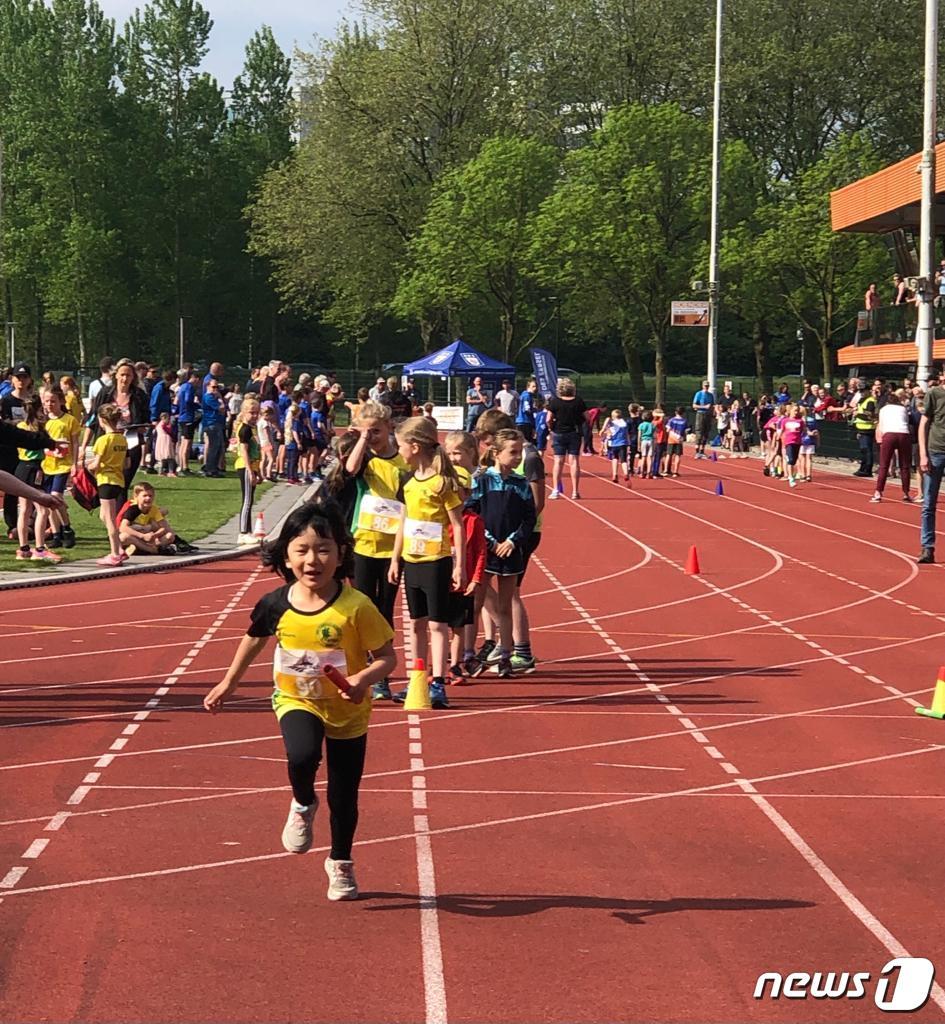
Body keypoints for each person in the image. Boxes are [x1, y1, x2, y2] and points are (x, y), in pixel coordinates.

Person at [204, 500, 396, 901]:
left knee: (345, 794)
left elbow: (387, 658)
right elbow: (254, 639)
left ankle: (340, 862)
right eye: (302, 549)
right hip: (296, 700)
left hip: (348, 711)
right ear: (287, 555)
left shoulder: (357, 608)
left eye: (324, 549)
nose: (313, 559)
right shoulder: (276, 603)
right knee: (302, 755)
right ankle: (303, 801)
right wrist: (229, 683)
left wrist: (361, 679)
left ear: (342, 553)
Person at [388, 416, 465, 709]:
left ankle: (437, 682)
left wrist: (459, 565)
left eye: (401, 446)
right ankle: (416, 679)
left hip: (436, 560)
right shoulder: (408, 482)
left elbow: (457, 525)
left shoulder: (442, 483)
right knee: (415, 623)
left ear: (415, 446)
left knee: (437, 624)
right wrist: (396, 559)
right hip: (412, 560)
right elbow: (403, 521)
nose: (399, 452)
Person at [345, 401, 408, 700]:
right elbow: (350, 467)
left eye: (377, 431)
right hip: (364, 544)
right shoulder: (366, 459)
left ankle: (380, 676)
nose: (373, 437)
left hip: (392, 547)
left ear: (389, 429)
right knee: (361, 608)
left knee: (384, 611)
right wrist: (360, 438)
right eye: (368, 431)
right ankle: (361, 671)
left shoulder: (402, 464)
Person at [465, 429, 535, 679]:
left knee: (505, 606)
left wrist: (513, 541)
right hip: (486, 551)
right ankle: (468, 656)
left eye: (520, 453)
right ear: (496, 452)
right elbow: (470, 513)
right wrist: (492, 542)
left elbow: (529, 518)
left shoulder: (521, 483)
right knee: (475, 603)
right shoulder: (481, 480)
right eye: (512, 452)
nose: (518, 458)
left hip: (511, 551)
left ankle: (506, 656)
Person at [443, 432, 487, 678]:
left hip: (472, 550)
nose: (453, 458)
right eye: (449, 454)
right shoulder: (443, 480)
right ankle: (449, 659)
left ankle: (466, 654)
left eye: (457, 453)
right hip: (445, 563)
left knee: (477, 605)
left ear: (472, 452)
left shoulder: (480, 483)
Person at [82, 359, 150, 496]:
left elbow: (145, 420)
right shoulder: (105, 393)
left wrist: (142, 427)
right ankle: (111, 514)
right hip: (106, 445)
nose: (125, 378)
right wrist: (84, 446)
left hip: (129, 444)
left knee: (122, 484)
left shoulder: (139, 396)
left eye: (128, 375)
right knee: (106, 485)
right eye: (122, 374)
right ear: (116, 375)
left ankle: (119, 516)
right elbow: (93, 419)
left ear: (133, 377)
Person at [13, 395, 60, 563]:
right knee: (42, 510)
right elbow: (47, 444)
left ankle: (23, 548)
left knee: (24, 510)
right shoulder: (39, 427)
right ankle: (39, 548)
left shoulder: (20, 426)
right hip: (33, 468)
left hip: (21, 468)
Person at [87, 403, 129, 566]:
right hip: (118, 480)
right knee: (103, 516)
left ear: (102, 420)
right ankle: (119, 547)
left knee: (110, 518)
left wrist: (87, 467)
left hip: (105, 480)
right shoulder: (122, 439)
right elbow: (126, 463)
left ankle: (115, 553)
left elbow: (95, 464)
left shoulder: (102, 440)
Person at [40, 385, 79, 549]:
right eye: (47, 401)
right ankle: (56, 534)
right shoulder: (44, 421)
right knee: (49, 501)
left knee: (56, 496)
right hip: (47, 465)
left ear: (61, 401)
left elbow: (75, 442)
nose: (50, 404)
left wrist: (75, 463)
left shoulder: (69, 420)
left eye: (53, 401)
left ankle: (67, 528)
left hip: (63, 465)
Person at [0, 363, 35, 536]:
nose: (21, 380)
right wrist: (19, 426)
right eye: (18, 377)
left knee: (30, 486)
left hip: (30, 451)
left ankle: (32, 522)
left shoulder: (33, 400)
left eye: (24, 377)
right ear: (12, 379)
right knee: (10, 487)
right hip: (9, 449)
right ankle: (12, 523)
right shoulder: (6, 400)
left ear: (29, 379)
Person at [119, 481, 197, 555]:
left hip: (149, 538)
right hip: (136, 535)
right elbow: (123, 528)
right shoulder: (133, 509)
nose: (148, 498)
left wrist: (155, 535)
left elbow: (163, 527)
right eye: (145, 496)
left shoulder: (154, 509)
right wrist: (142, 536)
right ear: (136, 497)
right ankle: (154, 550)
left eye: (150, 496)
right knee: (124, 537)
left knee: (169, 536)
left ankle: (143, 549)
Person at [547, 377, 586, 499]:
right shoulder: (578, 401)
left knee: (558, 461)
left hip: (559, 433)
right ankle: (575, 491)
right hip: (574, 432)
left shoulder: (555, 402)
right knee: (574, 461)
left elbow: (548, 419)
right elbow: (587, 417)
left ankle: (555, 490)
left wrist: (551, 428)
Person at [873, 389, 913, 503]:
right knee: (905, 465)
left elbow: (881, 425)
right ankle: (906, 492)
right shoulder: (903, 409)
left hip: (889, 434)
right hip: (904, 434)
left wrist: (880, 440)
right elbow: (906, 421)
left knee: (884, 465)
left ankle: (878, 492)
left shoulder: (883, 409)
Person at [234, 396, 262, 545]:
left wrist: (259, 471)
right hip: (245, 466)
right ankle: (243, 532)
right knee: (247, 500)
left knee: (250, 500)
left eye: (257, 413)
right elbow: (243, 451)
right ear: (244, 412)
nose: (255, 416)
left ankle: (248, 531)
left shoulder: (252, 429)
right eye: (252, 412)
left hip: (252, 466)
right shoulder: (244, 429)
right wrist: (250, 471)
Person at [852, 381, 880, 477]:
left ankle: (867, 469)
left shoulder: (870, 401)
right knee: (863, 449)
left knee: (867, 449)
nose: (862, 393)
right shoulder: (862, 400)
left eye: (863, 391)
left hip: (868, 429)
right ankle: (863, 468)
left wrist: (858, 414)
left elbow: (869, 416)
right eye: (861, 391)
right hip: (861, 428)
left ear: (868, 391)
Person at [200, 379, 227, 478]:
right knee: (214, 447)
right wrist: (220, 398)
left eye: (217, 387)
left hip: (216, 423)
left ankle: (214, 468)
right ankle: (210, 469)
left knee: (218, 447)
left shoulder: (212, 397)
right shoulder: (209, 397)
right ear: (207, 387)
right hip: (211, 423)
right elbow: (222, 408)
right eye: (213, 387)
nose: (216, 389)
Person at [175, 370, 200, 474]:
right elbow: (187, 400)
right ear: (194, 378)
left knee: (182, 442)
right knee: (187, 443)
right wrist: (197, 405)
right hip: (187, 417)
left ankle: (181, 465)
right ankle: (185, 467)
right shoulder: (189, 387)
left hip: (181, 417)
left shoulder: (182, 386)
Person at [776, 403, 806, 488]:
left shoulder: (800, 421)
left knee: (794, 460)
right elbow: (782, 430)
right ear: (791, 411)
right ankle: (790, 478)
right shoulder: (785, 420)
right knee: (791, 460)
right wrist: (778, 437)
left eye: (797, 411)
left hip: (797, 442)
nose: (796, 412)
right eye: (794, 410)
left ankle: (792, 473)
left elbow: (803, 430)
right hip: (789, 442)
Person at [600, 409, 630, 483]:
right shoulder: (624, 423)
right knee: (624, 460)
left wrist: (603, 429)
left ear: (613, 416)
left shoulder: (613, 423)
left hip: (614, 444)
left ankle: (615, 474)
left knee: (615, 458)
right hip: (623, 443)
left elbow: (607, 419)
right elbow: (627, 434)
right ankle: (626, 473)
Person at [691, 380, 715, 458]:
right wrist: (704, 407)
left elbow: (712, 405)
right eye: (705, 386)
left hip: (708, 414)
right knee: (699, 432)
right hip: (700, 413)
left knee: (706, 432)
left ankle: (702, 450)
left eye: (707, 386)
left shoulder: (710, 395)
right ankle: (697, 451)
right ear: (702, 386)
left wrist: (713, 415)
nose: (706, 387)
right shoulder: (698, 394)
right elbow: (694, 405)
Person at [666, 406, 688, 477]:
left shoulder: (671, 420)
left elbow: (668, 430)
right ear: (683, 413)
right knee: (678, 455)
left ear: (675, 412)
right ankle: (675, 472)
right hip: (679, 440)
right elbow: (686, 431)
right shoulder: (684, 421)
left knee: (669, 454)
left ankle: (666, 470)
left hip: (671, 439)